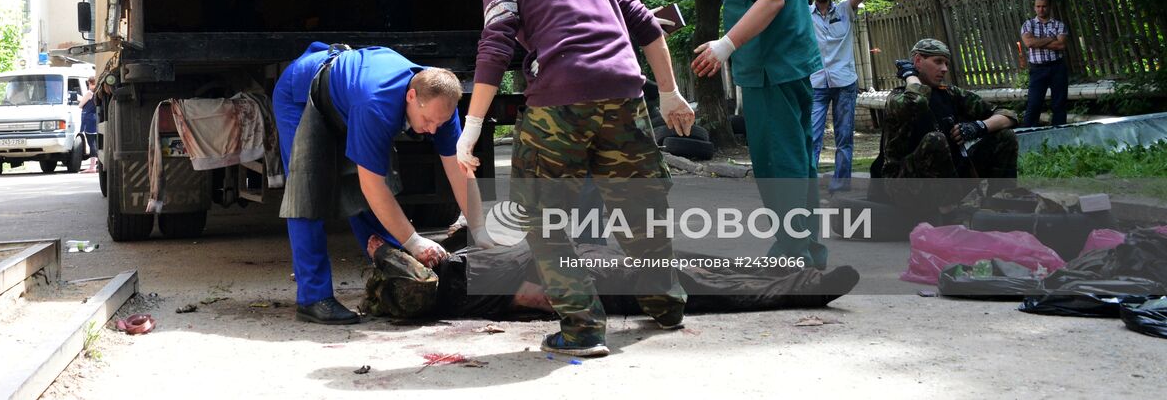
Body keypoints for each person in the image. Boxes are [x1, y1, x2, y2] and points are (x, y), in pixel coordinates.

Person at [455, 0, 695, 359]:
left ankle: (583, 329)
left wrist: (471, 128)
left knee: (541, 215)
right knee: (640, 205)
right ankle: (666, 306)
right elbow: (647, 26)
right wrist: (669, 93)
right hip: (624, 91)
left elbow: (496, 43)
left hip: (559, 100)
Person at [273, 42, 477, 325]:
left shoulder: (441, 105)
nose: (433, 130)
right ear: (411, 95)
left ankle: (396, 274)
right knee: (307, 192)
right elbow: (372, 187)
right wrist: (415, 240)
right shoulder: (376, 104)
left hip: (347, 99)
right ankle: (313, 297)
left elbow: (458, 171)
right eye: (428, 121)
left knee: (364, 184)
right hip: (302, 93)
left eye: (439, 124)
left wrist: (483, 231)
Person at [690, 0, 826, 270]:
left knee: (779, 164)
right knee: (798, 164)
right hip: (783, 67)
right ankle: (807, 252)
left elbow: (770, 0)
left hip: (774, 70)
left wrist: (726, 44)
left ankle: (791, 254)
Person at [360, 233, 860, 321]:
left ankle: (799, 272)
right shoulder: (452, 290)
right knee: (701, 283)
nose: (419, 258)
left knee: (695, 262)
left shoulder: (458, 268)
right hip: (580, 275)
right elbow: (534, 297)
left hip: (578, 257)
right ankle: (810, 289)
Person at [876, 38, 1019, 210]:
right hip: (904, 184)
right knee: (936, 140)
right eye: (937, 62)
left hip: (950, 179)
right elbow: (917, 101)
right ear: (918, 61)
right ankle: (947, 211)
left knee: (1005, 137)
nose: (944, 69)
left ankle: (1002, 204)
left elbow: (1008, 115)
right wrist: (910, 75)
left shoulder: (950, 94)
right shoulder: (898, 98)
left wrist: (977, 127)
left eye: (946, 63)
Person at [806, 0, 870, 194]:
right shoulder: (804, 14)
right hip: (817, 84)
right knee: (812, 135)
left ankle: (841, 185)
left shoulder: (845, 9)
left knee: (844, 136)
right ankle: (809, 183)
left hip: (844, 83)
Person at [1021, 0, 1070, 127]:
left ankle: (1060, 133)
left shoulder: (1059, 25)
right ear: (1034, 8)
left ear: (1049, 7)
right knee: (1034, 103)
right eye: (1038, 6)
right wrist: (1050, 38)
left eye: (1044, 6)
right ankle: (1028, 134)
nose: (1041, 9)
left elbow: (1061, 45)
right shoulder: (1028, 24)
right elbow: (1029, 43)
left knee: (1059, 104)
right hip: (1037, 69)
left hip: (1057, 68)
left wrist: (1038, 42)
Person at [78, 76, 99, 173]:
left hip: (89, 119)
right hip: (96, 118)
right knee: (97, 142)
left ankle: (92, 167)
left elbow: (80, 105)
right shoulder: (97, 93)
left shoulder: (89, 93)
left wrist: (81, 99)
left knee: (92, 144)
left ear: (90, 83)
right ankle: (96, 165)